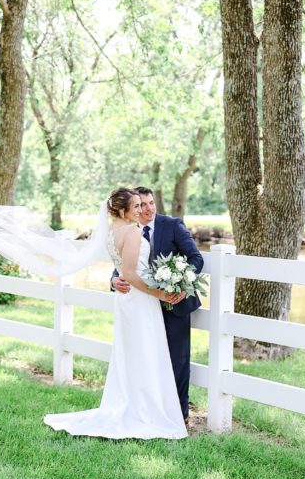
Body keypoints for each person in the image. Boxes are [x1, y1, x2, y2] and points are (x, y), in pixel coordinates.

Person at [44, 187, 187, 440]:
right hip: (140, 300)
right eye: (136, 207)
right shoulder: (132, 232)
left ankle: (137, 403)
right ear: (122, 210)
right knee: (144, 351)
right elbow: (130, 273)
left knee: (132, 352)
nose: (141, 210)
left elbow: (122, 269)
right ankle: (145, 410)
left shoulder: (111, 232)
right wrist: (160, 294)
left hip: (127, 301)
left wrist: (118, 281)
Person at [111, 186, 204, 421]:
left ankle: (180, 413)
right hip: (143, 304)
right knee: (147, 359)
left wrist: (180, 285)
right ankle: (152, 409)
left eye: (152, 202)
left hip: (174, 302)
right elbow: (124, 266)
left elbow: (196, 258)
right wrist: (113, 280)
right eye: (142, 204)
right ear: (134, 208)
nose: (148, 208)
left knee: (177, 360)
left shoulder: (172, 225)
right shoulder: (129, 230)